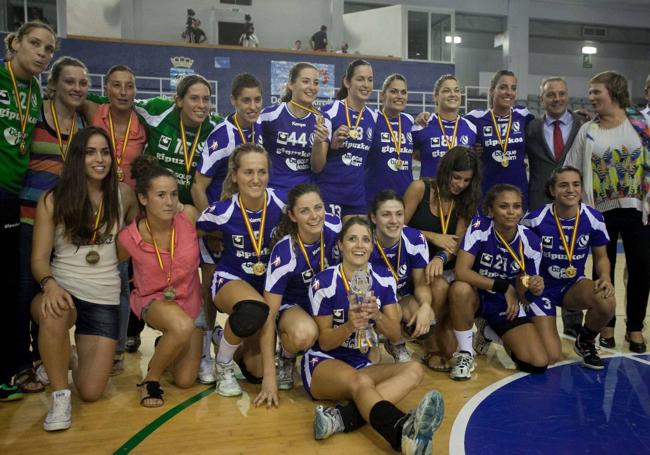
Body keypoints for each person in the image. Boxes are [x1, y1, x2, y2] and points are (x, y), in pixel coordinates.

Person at [302, 216, 444, 454]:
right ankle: (400, 432)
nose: (359, 245)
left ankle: (339, 418)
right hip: (324, 361)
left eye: (366, 239)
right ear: (340, 245)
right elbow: (324, 342)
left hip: (361, 361)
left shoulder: (384, 279)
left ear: (373, 244)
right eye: (352, 239)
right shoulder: (323, 282)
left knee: (414, 370)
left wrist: (377, 315)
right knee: (361, 382)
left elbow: (395, 335)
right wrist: (349, 325)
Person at [30, 127, 137, 430]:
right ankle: (60, 396)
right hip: (63, 289)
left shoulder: (124, 195)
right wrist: (49, 285)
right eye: (91, 152)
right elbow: (38, 259)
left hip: (103, 297)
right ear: (77, 157)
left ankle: (68, 357)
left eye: (105, 152)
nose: (99, 159)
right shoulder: (53, 199)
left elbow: (135, 240)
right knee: (55, 312)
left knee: (91, 392)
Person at [15, 56, 89, 395]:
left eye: (82, 83)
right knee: (24, 292)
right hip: (28, 219)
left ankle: (47, 357)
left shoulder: (83, 128)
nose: (76, 88)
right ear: (55, 83)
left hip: (64, 228)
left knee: (52, 297)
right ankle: (22, 362)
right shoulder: (34, 118)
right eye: (70, 81)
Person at [565, 70, 650, 353]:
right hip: (599, 212)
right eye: (590, 93)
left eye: (596, 92)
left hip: (639, 209)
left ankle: (635, 327)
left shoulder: (642, 123)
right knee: (605, 268)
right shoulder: (588, 130)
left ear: (614, 92)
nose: (591, 98)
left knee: (642, 267)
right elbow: (572, 166)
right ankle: (608, 324)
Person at [196, 143, 285, 407]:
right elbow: (190, 232)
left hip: (265, 286)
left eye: (262, 172)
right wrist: (210, 246)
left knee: (256, 372)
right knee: (253, 310)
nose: (256, 179)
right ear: (235, 175)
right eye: (248, 172)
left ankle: (230, 342)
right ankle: (222, 364)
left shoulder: (283, 202)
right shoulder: (220, 212)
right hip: (230, 281)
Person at [191, 73, 263, 385]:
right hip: (222, 227)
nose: (252, 106)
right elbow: (198, 185)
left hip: (251, 228)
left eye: (257, 100)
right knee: (209, 289)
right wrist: (211, 226)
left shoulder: (260, 130)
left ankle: (233, 343)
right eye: (246, 100)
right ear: (232, 101)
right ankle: (205, 350)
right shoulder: (223, 136)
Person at [117, 155, 203, 407]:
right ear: (143, 199)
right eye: (161, 195)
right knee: (181, 327)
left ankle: (165, 343)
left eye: (174, 194)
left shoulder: (188, 216)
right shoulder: (128, 238)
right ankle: (150, 380)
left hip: (190, 301)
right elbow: (116, 268)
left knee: (186, 379)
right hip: (154, 300)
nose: (170, 202)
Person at [1, 20, 56, 402]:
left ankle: (19, 362)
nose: (41, 53)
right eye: (34, 44)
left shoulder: (34, 89)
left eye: (48, 48)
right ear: (14, 43)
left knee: (12, 286)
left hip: (12, 195)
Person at [449, 184, 548, 380]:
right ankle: (465, 353)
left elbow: (525, 298)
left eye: (516, 206)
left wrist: (534, 290)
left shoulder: (531, 242)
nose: (511, 212)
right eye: (503, 206)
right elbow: (461, 271)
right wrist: (504, 286)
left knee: (537, 362)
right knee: (460, 289)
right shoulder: (480, 227)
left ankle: (487, 332)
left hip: (504, 306)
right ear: (490, 211)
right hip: (475, 296)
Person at [84, 64, 148, 369]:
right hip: (92, 207)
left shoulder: (143, 124)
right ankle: (93, 339)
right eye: (117, 86)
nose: (124, 92)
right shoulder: (93, 112)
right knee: (97, 275)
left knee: (126, 277)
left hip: (128, 211)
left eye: (130, 86)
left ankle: (122, 343)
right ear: (106, 88)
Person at [521, 166, 615, 368]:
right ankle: (516, 328)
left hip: (572, 286)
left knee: (606, 299)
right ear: (552, 190)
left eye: (576, 184)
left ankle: (586, 341)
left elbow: (601, 257)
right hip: (541, 290)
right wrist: (527, 284)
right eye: (563, 185)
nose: (570, 190)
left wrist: (605, 277)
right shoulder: (533, 220)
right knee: (551, 356)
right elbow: (520, 262)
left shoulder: (594, 218)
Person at [403, 146, 481, 371]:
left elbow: (456, 241)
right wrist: (431, 236)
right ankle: (428, 344)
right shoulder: (420, 188)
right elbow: (397, 227)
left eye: (466, 180)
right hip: (414, 266)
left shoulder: (466, 199)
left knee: (450, 350)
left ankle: (436, 331)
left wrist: (439, 257)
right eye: (456, 177)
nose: (460, 185)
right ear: (445, 171)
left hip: (443, 267)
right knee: (437, 286)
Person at [525, 76, 586, 336]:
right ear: (543, 99)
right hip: (540, 200)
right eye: (551, 95)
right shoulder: (532, 128)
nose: (557, 99)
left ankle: (573, 323)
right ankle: (537, 313)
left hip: (573, 200)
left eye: (561, 94)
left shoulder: (583, 124)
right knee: (537, 259)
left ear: (567, 95)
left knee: (573, 257)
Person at [265, 183, 341, 390]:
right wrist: (268, 376)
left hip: (328, 302)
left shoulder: (337, 229)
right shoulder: (285, 253)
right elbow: (268, 315)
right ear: (292, 215)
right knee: (303, 334)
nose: (314, 216)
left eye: (318, 207)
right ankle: (287, 356)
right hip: (295, 306)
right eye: (304, 211)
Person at [134, 74, 220, 204]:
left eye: (206, 99)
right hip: (155, 200)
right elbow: (123, 101)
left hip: (191, 204)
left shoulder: (217, 127)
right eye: (194, 98)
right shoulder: (159, 110)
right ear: (179, 100)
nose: (202, 105)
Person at [369, 190, 432, 363]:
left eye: (399, 214)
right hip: (369, 304)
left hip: (400, 298)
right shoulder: (363, 242)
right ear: (374, 218)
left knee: (428, 318)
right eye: (386, 215)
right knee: (371, 362)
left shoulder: (415, 238)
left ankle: (396, 342)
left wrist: (426, 306)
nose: (394, 221)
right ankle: (371, 338)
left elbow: (420, 283)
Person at [312, 59, 378, 219]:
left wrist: (421, 118)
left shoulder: (374, 116)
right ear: (347, 82)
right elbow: (316, 166)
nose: (366, 84)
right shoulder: (329, 111)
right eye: (360, 79)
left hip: (356, 198)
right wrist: (330, 145)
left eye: (370, 79)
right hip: (329, 194)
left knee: (359, 243)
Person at [465, 70, 534, 209]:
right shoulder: (475, 118)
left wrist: (575, 115)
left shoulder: (524, 115)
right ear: (491, 91)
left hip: (517, 193)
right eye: (503, 87)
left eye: (513, 88)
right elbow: (451, 125)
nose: (509, 92)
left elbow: (547, 123)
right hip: (487, 193)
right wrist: (425, 117)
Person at [259, 62, 322, 192]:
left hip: (304, 194)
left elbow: (317, 168)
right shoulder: (269, 116)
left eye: (316, 83)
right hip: (272, 191)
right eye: (306, 81)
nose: (312, 87)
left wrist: (317, 144)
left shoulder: (322, 120)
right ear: (291, 84)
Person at [412, 75, 477, 178]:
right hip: (432, 192)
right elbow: (411, 153)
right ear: (436, 96)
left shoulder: (472, 128)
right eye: (446, 91)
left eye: (456, 90)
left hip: (460, 192)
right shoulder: (421, 125)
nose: (453, 94)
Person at [365, 74, 414, 206]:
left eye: (403, 92)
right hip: (375, 199)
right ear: (382, 95)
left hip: (404, 199)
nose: (399, 96)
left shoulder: (410, 121)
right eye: (393, 91)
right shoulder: (371, 119)